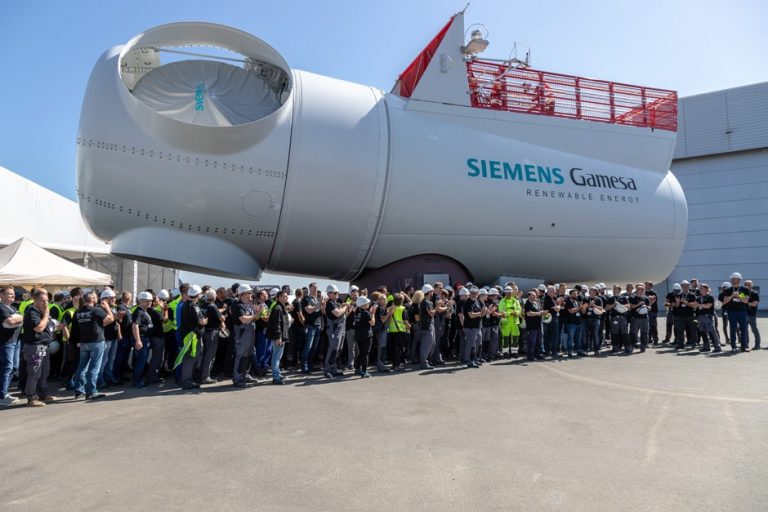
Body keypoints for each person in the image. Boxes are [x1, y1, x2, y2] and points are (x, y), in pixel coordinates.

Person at [72, 290, 114, 400]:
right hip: (96, 341)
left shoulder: (78, 312)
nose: (97, 299)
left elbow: (99, 323)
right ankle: (91, 391)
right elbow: (110, 319)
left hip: (84, 342)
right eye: (95, 297)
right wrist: (107, 308)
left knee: (82, 367)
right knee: (94, 367)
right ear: (91, 300)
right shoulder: (96, 310)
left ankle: (79, 390)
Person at [21, 288, 58, 407]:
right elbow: (39, 328)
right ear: (35, 300)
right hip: (35, 346)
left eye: (47, 300)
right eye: (42, 300)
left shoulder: (40, 312)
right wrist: (47, 314)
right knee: (35, 372)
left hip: (43, 346)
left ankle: (42, 394)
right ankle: (31, 397)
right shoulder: (32, 311)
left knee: (44, 371)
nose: (45, 303)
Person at [176, 285, 208, 389]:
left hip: (188, 335)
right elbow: (202, 321)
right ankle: (187, 381)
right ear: (197, 295)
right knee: (190, 358)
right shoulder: (194, 306)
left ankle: (188, 380)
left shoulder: (185, 304)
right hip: (193, 336)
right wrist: (206, 320)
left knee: (189, 357)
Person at [232, 285, 260, 388]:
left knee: (249, 354)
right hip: (242, 332)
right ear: (242, 294)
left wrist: (257, 314)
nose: (250, 295)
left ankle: (245, 374)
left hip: (250, 331)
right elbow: (243, 319)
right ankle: (238, 378)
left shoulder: (248, 304)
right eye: (248, 293)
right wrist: (256, 315)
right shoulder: (237, 305)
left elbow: (252, 318)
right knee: (241, 355)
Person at [0, 285, 23, 406]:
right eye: (9, 294)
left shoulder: (13, 308)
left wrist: (18, 319)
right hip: (6, 342)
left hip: (16, 341)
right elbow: (10, 321)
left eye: (13, 294)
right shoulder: (1, 307)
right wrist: (19, 319)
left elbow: (18, 319)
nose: (13, 295)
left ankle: (4, 393)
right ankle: (2, 395)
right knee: (7, 367)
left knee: (14, 367)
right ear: (2, 295)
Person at [324, 284, 351, 378]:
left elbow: (343, 314)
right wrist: (345, 307)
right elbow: (337, 313)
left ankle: (333, 369)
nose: (337, 295)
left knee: (338, 350)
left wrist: (345, 307)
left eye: (337, 293)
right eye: (335, 293)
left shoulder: (336, 303)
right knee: (332, 349)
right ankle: (327, 370)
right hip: (334, 329)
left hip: (341, 329)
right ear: (329, 294)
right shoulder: (330, 303)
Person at [199, 289, 224, 384]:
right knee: (210, 355)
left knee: (204, 354)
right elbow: (221, 318)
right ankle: (205, 376)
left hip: (204, 332)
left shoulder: (202, 305)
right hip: (212, 332)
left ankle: (201, 374)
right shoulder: (213, 306)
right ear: (214, 297)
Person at [130, 292, 154, 388]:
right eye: (146, 301)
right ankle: (137, 382)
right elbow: (135, 325)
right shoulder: (139, 312)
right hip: (142, 338)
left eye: (150, 301)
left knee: (141, 360)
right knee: (141, 360)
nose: (149, 303)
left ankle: (138, 380)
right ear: (140, 301)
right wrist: (138, 340)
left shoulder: (144, 311)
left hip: (144, 338)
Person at [98, 289, 121, 388]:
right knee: (104, 360)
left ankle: (109, 376)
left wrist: (119, 334)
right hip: (106, 337)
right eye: (112, 298)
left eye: (114, 297)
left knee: (111, 359)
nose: (114, 299)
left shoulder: (114, 307)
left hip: (113, 336)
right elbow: (106, 320)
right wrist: (117, 317)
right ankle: (100, 379)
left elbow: (117, 321)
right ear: (105, 299)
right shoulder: (101, 309)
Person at [722, 272, 750, 352]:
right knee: (733, 329)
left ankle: (744, 347)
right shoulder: (728, 290)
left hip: (742, 312)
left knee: (743, 329)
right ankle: (733, 347)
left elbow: (745, 301)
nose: (732, 280)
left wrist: (738, 296)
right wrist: (732, 296)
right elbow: (724, 302)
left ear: (739, 280)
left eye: (734, 279)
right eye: (732, 279)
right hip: (731, 312)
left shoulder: (745, 289)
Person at [267, 290, 290, 384]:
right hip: (278, 336)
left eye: (286, 296)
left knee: (278, 356)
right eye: (284, 296)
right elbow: (277, 324)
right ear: (279, 297)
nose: (286, 298)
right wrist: (278, 337)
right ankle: (275, 378)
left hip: (281, 335)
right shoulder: (278, 308)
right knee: (276, 357)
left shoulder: (281, 307)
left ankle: (278, 374)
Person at [146, 290, 169, 384]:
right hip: (157, 337)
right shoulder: (154, 312)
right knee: (157, 358)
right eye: (158, 300)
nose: (160, 301)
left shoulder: (149, 311)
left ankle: (154, 375)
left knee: (157, 357)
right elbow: (165, 320)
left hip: (154, 336)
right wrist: (165, 310)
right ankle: (152, 377)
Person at [301, 282, 322, 374]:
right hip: (310, 326)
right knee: (308, 347)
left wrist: (322, 304)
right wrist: (319, 303)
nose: (315, 290)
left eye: (316, 288)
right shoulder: (306, 299)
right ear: (310, 288)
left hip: (318, 325)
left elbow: (321, 312)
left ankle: (310, 366)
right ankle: (304, 367)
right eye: (314, 288)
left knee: (314, 348)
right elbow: (309, 311)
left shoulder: (316, 299)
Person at [352, 295, 375, 378]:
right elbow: (372, 323)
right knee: (365, 354)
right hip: (366, 335)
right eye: (367, 303)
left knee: (361, 352)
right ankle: (364, 372)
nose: (368, 304)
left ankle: (358, 368)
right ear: (364, 304)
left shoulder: (356, 312)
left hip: (358, 335)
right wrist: (373, 313)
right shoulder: (366, 313)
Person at [461, 287, 484, 367]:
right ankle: (468, 360)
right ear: (469, 294)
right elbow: (471, 315)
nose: (474, 294)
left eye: (476, 293)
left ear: (478, 294)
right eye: (472, 293)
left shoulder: (477, 302)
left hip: (477, 326)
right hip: (469, 327)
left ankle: (474, 359)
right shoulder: (467, 303)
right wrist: (480, 313)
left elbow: (481, 313)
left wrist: (482, 313)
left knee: (477, 343)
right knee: (471, 344)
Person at [695, 284, 720, 353]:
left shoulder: (710, 297)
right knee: (703, 332)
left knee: (711, 332)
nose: (700, 289)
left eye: (701, 288)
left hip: (707, 316)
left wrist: (699, 305)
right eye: (700, 288)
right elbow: (695, 305)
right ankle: (706, 346)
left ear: (706, 289)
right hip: (700, 316)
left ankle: (717, 346)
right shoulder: (699, 298)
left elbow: (708, 306)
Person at [674, 281, 698, 350]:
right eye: (683, 286)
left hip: (690, 315)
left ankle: (693, 343)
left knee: (692, 330)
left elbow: (694, 306)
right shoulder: (678, 295)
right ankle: (681, 344)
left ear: (689, 286)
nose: (685, 287)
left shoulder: (692, 295)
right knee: (680, 330)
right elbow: (677, 305)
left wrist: (685, 302)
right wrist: (677, 302)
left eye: (686, 286)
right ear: (681, 287)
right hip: (681, 315)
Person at [498, 286, 521, 357]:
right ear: (505, 293)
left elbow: (519, 309)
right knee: (505, 337)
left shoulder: (515, 301)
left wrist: (516, 312)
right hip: (506, 322)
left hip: (514, 321)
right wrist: (510, 313)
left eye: (510, 292)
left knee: (515, 337)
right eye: (507, 293)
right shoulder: (502, 301)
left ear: (512, 293)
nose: (509, 294)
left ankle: (514, 352)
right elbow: (501, 311)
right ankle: (505, 352)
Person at [628, 284, 650, 354]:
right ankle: (631, 346)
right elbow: (631, 307)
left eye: (642, 290)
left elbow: (650, 308)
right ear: (636, 290)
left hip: (644, 318)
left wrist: (646, 306)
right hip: (635, 318)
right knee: (633, 333)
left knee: (644, 333)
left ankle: (643, 347)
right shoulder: (632, 297)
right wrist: (639, 304)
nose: (641, 291)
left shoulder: (646, 298)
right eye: (639, 289)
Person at [523, 290, 545, 361]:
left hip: (538, 326)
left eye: (535, 295)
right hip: (532, 327)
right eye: (533, 295)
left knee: (538, 342)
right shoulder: (527, 304)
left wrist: (542, 312)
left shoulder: (536, 303)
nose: (535, 296)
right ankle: (530, 356)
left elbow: (539, 311)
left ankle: (537, 354)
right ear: (529, 296)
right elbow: (528, 313)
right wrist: (538, 313)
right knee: (532, 342)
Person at [373, 292, 392, 372]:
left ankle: (381, 364)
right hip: (380, 330)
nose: (386, 300)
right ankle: (380, 366)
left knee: (383, 348)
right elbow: (382, 319)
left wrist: (389, 313)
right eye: (384, 299)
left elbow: (388, 320)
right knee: (382, 348)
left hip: (383, 330)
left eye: (386, 299)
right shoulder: (380, 308)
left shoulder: (383, 308)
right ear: (379, 300)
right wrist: (390, 312)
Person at [542, 286, 562, 358]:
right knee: (554, 336)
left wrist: (557, 305)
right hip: (551, 319)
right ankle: (554, 352)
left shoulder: (551, 298)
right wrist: (559, 305)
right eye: (553, 291)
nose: (555, 292)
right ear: (549, 291)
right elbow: (557, 309)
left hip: (548, 318)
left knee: (548, 336)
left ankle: (548, 351)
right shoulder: (548, 299)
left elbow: (556, 308)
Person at [344, 285, 360, 370]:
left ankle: (358, 363)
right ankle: (351, 364)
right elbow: (344, 316)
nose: (355, 295)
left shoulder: (361, 302)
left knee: (358, 347)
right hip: (349, 328)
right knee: (351, 347)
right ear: (350, 294)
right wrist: (350, 310)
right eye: (353, 294)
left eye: (356, 293)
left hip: (359, 329)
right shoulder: (347, 302)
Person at [744, 280, 761, 349]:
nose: (748, 286)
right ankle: (746, 344)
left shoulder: (755, 294)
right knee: (744, 329)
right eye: (747, 285)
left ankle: (757, 344)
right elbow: (740, 300)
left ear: (752, 286)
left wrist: (745, 302)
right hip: (744, 314)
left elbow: (754, 304)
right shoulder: (742, 293)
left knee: (754, 329)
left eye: (749, 285)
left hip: (752, 314)